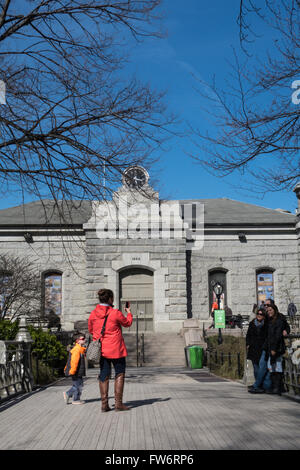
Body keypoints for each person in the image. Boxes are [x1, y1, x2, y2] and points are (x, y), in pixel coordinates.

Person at [88, 288, 133, 412]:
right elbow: (127, 323)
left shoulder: (93, 314)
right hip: (116, 349)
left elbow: (91, 330)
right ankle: (118, 404)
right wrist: (129, 312)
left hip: (101, 349)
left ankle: (104, 405)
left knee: (104, 374)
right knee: (119, 373)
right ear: (110, 299)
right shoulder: (115, 313)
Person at [264, 303, 287, 395]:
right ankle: (275, 387)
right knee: (272, 367)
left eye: (270, 310)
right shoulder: (269, 320)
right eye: (268, 311)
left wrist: (273, 349)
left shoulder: (279, 320)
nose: (269, 312)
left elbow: (277, 335)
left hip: (277, 348)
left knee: (277, 367)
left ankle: (277, 388)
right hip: (271, 347)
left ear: (275, 310)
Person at [246, 308, 268, 390]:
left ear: (264, 316)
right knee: (255, 367)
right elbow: (248, 335)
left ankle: (258, 384)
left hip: (262, 348)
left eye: (261, 314)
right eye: (258, 314)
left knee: (261, 367)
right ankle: (258, 384)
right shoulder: (252, 323)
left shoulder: (266, 324)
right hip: (253, 348)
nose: (259, 315)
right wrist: (247, 344)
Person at [63, 333, 86, 405]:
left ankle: (71, 396)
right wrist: (72, 371)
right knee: (78, 386)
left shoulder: (80, 349)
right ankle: (74, 398)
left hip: (78, 371)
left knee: (79, 385)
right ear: (77, 341)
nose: (84, 340)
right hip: (76, 371)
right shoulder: (77, 350)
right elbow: (74, 362)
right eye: (82, 339)